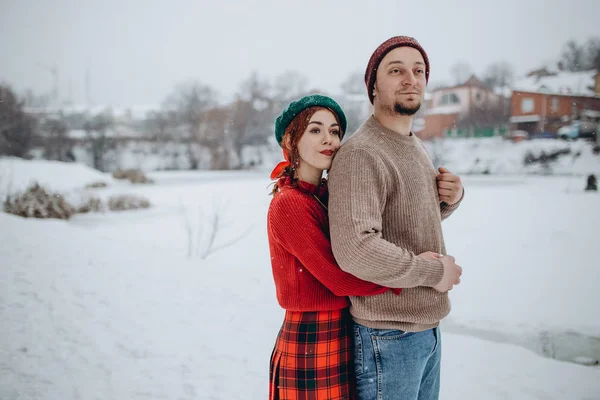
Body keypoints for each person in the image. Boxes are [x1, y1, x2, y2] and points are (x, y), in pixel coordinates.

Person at [328, 36, 465, 400]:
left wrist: (449, 201)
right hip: (388, 337)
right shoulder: (361, 153)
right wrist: (435, 273)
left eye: (418, 71)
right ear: (374, 85)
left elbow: (404, 223)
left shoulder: (413, 144)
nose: (411, 78)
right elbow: (357, 248)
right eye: (397, 70)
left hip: (425, 329)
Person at [267, 94, 400, 400]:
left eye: (335, 131)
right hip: (310, 337)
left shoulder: (325, 196)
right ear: (292, 140)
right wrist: (404, 278)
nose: (328, 139)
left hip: (341, 331)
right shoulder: (289, 204)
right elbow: (337, 277)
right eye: (315, 130)